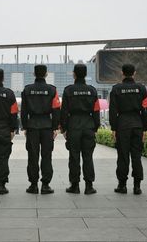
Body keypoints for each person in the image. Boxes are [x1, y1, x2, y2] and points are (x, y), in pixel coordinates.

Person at [109, 64, 147, 195]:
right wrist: (145, 128)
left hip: (122, 125)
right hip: (137, 124)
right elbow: (145, 109)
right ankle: (137, 186)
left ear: (122, 73)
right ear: (134, 73)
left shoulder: (116, 89)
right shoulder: (141, 89)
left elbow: (113, 110)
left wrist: (113, 128)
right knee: (136, 156)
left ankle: (122, 185)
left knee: (123, 156)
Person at [21, 64, 60, 194]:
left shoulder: (27, 90)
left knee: (32, 156)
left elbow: (24, 111)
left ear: (34, 74)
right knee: (46, 155)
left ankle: (33, 185)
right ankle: (45, 185)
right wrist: (55, 127)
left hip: (32, 125)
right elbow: (56, 110)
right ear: (46, 74)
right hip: (47, 126)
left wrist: (25, 126)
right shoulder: (52, 90)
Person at [60, 64, 100, 195]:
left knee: (74, 156)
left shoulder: (68, 91)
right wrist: (95, 127)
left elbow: (64, 111)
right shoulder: (92, 91)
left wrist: (64, 129)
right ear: (85, 74)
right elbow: (96, 111)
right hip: (88, 125)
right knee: (88, 157)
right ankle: (89, 186)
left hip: (73, 126)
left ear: (74, 74)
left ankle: (75, 185)